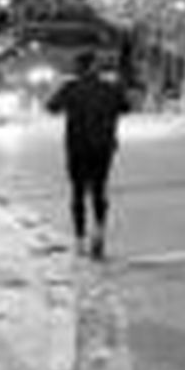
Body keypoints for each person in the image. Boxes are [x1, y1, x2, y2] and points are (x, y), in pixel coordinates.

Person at [46, 51, 130, 259]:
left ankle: (79, 240)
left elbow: (51, 107)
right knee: (99, 190)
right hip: (103, 147)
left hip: (77, 147)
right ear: (95, 67)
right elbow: (126, 107)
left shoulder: (71, 88)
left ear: (78, 68)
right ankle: (99, 232)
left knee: (77, 192)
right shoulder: (110, 88)